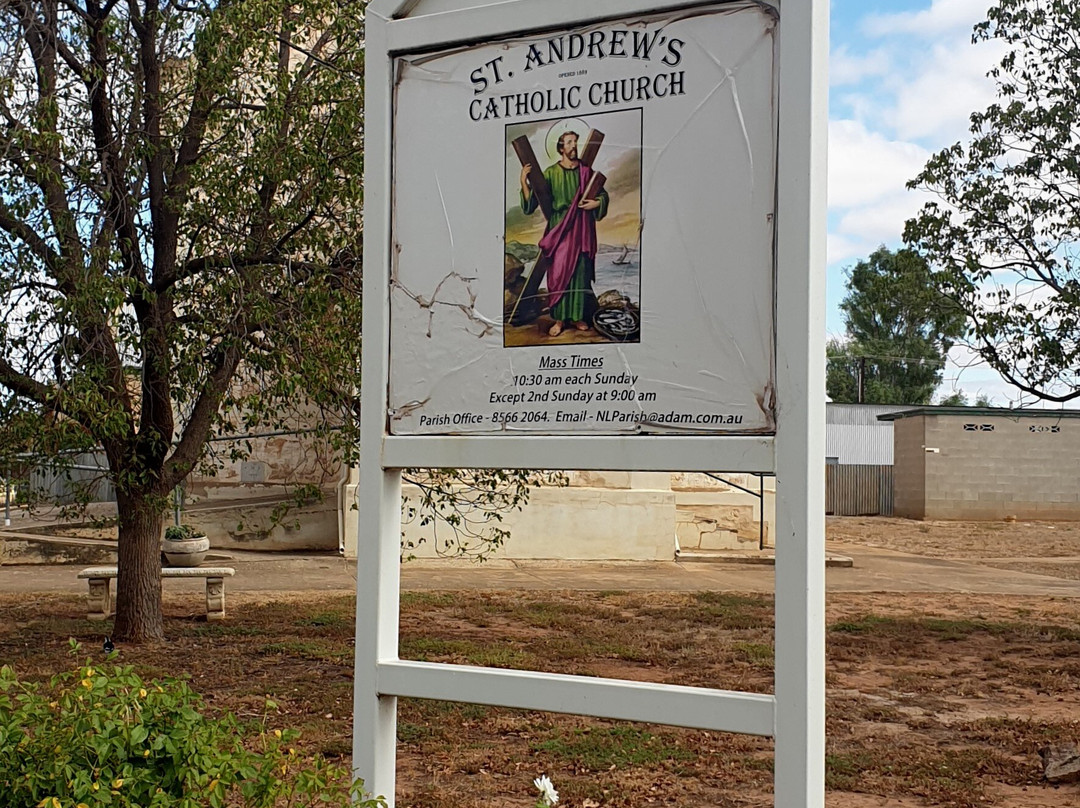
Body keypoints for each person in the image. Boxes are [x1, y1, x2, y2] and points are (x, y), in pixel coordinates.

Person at [519, 130, 609, 337]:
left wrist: (596, 203)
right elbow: (530, 204)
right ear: (561, 148)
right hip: (560, 229)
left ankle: (576, 318)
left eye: (575, 142)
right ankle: (559, 320)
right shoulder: (551, 173)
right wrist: (524, 181)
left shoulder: (585, 171)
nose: (574, 146)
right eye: (569, 143)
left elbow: (602, 194)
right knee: (559, 274)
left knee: (579, 274)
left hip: (582, 228)